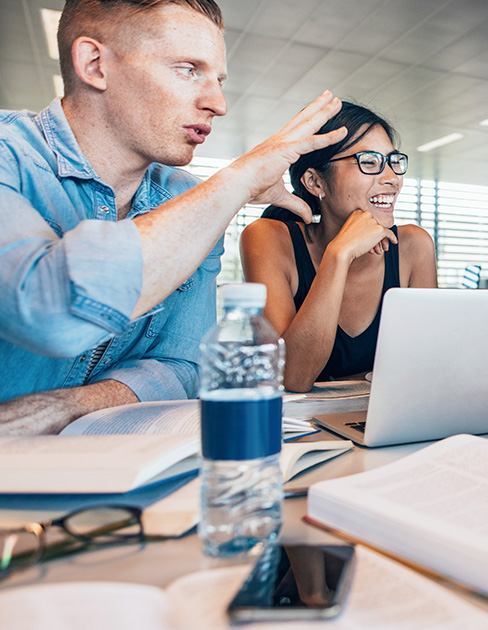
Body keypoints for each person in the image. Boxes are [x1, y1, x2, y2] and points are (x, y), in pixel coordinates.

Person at [0, 0, 346, 435]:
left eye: (218, 80)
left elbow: (184, 363)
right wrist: (237, 180)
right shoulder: (8, 155)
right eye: (188, 69)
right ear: (95, 64)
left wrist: (70, 406)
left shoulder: (187, 197)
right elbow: (48, 310)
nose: (218, 104)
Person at [240, 103, 437, 392]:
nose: (392, 178)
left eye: (394, 161)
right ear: (315, 181)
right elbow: (292, 377)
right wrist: (340, 254)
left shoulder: (413, 246)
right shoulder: (268, 238)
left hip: (381, 421)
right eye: (369, 162)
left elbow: (426, 369)